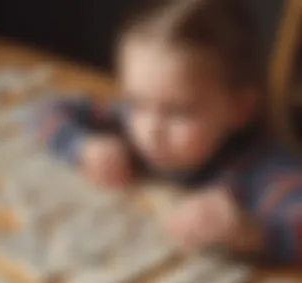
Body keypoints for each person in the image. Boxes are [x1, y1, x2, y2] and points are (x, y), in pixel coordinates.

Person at [22, 0, 302, 265]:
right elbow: (44, 111)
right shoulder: (127, 122)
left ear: (239, 109)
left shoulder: (262, 171)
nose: (151, 130)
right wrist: (82, 146)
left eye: (178, 112)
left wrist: (255, 233)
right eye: (136, 101)